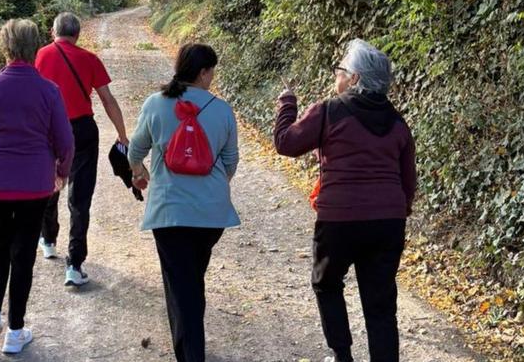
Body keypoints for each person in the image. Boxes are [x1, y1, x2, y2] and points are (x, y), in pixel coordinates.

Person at [273, 39, 416, 362]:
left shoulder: (329, 111)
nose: (335, 77)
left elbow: (286, 143)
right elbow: (408, 182)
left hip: (340, 220)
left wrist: (286, 104)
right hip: (388, 222)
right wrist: (394, 212)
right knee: (380, 302)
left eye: (340, 70)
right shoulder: (398, 122)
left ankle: (342, 356)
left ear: (355, 78)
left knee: (326, 282)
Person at [0, 19, 75, 354]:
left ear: (6, 46)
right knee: (23, 253)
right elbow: (66, 142)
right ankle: (15, 331)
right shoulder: (48, 90)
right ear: (33, 47)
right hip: (34, 183)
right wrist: (62, 171)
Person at [128, 43, 240, 362]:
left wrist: (140, 172)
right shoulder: (222, 110)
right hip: (211, 216)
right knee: (190, 281)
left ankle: (191, 354)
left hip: (169, 214)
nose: (212, 78)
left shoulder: (155, 103)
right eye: (212, 72)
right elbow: (230, 162)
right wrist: (212, 188)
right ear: (203, 72)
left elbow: (135, 151)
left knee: (182, 287)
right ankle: (190, 347)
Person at [34, 12, 128, 286]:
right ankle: (74, 265)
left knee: (49, 184)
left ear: (53, 32)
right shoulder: (89, 59)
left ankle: (48, 238)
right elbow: (108, 100)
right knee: (80, 197)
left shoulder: (39, 56)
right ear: (78, 35)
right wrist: (122, 135)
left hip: (48, 130)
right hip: (82, 131)